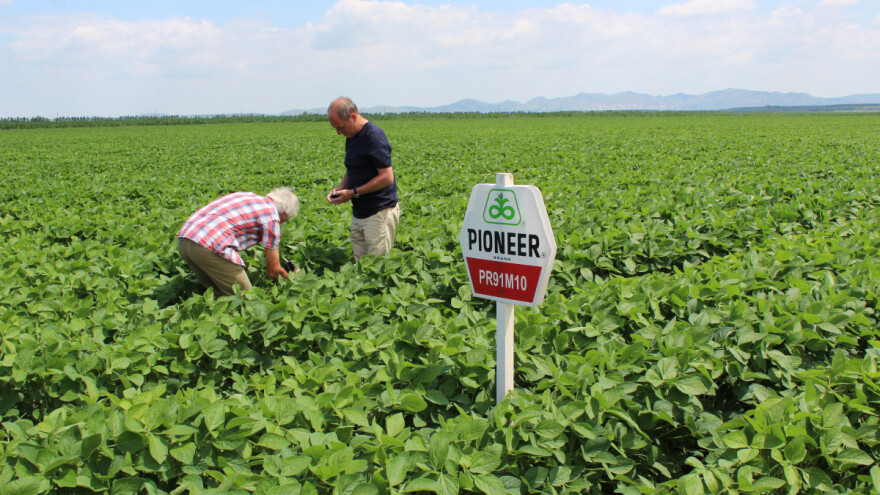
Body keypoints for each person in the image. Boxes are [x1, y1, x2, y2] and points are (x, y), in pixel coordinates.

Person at [177, 187, 299, 296]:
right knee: (245, 298)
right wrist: (293, 280)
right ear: (283, 214)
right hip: (209, 245)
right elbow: (273, 271)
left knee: (217, 294)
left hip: (185, 238)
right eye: (286, 219)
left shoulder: (247, 196)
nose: (282, 222)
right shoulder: (272, 218)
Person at [326, 97, 400, 259]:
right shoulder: (351, 136)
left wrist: (353, 192)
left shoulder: (373, 136)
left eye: (340, 127)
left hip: (378, 211)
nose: (339, 133)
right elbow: (353, 168)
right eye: (335, 129)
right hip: (359, 212)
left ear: (353, 116)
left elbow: (387, 177)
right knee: (360, 266)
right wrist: (341, 188)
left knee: (375, 268)